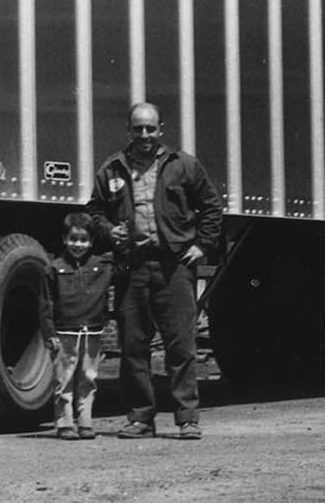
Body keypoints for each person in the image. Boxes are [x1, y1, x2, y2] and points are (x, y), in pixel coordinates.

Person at [86, 102, 223, 440]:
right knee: (133, 346)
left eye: (150, 128)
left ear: (161, 130)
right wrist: (107, 230)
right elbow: (93, 211)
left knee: (181, 345)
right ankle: (140, 418)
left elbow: (211, 206)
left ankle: (187, 418)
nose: (144, 135)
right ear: (129, 131)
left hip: (173, 264)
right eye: (138, 129)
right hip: (131, 265)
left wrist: (201, 245)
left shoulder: (182, 165)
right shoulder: (112, 169)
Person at [41, 212, 110, 440]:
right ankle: (64, 423)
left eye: (83, 240)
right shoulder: (54, 268)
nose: (77, 245)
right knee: (64, 378)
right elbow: (46, 304)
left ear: (91, 241)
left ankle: (86, 422)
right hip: (64, 332)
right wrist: (49, 333)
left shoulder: (101, 266)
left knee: (88, 377)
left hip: (91, 331)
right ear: (64, 239)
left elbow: (123, 265)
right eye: (73, 239)